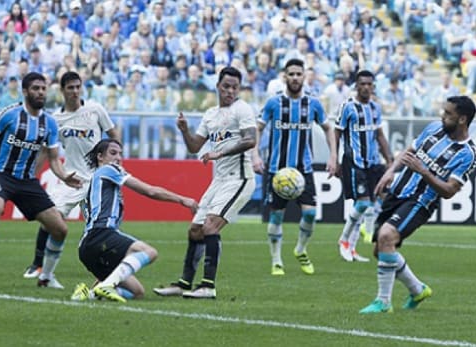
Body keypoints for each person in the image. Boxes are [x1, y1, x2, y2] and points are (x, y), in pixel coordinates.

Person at [0, 72, 82, 288]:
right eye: (36, 88)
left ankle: (46, 277)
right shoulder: (10, 114)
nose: (41, 92)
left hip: (26, 181)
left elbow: (53, 159)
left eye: (43, 88)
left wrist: (64, 176)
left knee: (60, 229)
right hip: (0, 173)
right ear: (25, 91)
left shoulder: (50, 123)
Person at [360, 96, 476, 313]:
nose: (442, 116)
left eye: (448, 113)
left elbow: (450, 190)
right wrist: (390, 172)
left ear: (462, 119)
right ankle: (417, 289)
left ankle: (383, 302)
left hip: (420, 202)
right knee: (381, 250)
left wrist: (424, 171)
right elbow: (409, 152)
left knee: (386, 236)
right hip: (397, 192)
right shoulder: (433, 129)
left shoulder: (468, 154)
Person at [153, 66, 257, 299]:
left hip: (239, 179)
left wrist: (220, 154)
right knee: (195, 230)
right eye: (226, 86)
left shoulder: (242, 109)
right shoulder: (210, 114)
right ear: (218, 86)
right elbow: (194, 147)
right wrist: (184, 130)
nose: (230, 91)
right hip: (218, 180)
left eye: (235, 87)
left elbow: (251, 140)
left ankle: (208, 286)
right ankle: (184, 283)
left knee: (210, 226)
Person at [22, 71, 120, 286]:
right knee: (52, 219)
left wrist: (116, 157)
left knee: (101, 230)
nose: (75, 91)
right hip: (71, 178)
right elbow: (48, 152)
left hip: (97, 179)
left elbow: (114, 133)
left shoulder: (95, 110)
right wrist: (30, 174)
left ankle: (106, 272)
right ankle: (42, 270)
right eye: (70, 88)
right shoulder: (55, 119)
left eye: (78, 87)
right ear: (62, 90)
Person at [73, 139, 198, 302]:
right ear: (100, 157)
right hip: (101, 233)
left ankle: (88, 294)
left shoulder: (97, 180)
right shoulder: (109, 169)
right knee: (148, 252)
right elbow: (150, 191)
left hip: (87, 247)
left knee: (137, 293)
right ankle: (108, 284)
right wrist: (182, 200)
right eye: (113, 153)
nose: (118, 158)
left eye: (120, 154)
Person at [252, 58, 337, 276]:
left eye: (299, 74)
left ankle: (300, 249)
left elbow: (328, 129)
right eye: (291, 74)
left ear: (304, 76)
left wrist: (333, 156)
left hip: (303, 170)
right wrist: (254, 155)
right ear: (285, 77)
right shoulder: (273, 103)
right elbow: (258, 128)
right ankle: (277, 260)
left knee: (310, 214)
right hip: (277, 170)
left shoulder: (314, 104)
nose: (296, 78)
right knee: (276, 216)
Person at [335, 70, 393, 263]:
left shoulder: (375, 108)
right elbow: (336, 133)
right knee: (362, 203)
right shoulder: (348, 107)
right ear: (356, 86)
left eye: (369, 84)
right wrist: (334, 159)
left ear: (373, 86)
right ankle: (343, 241)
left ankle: (351, 248)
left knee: (366, 205)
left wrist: (390, 161)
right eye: (363, 84)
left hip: (373, 163)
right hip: (354, 162)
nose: (366, 87)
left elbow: (380, 135)